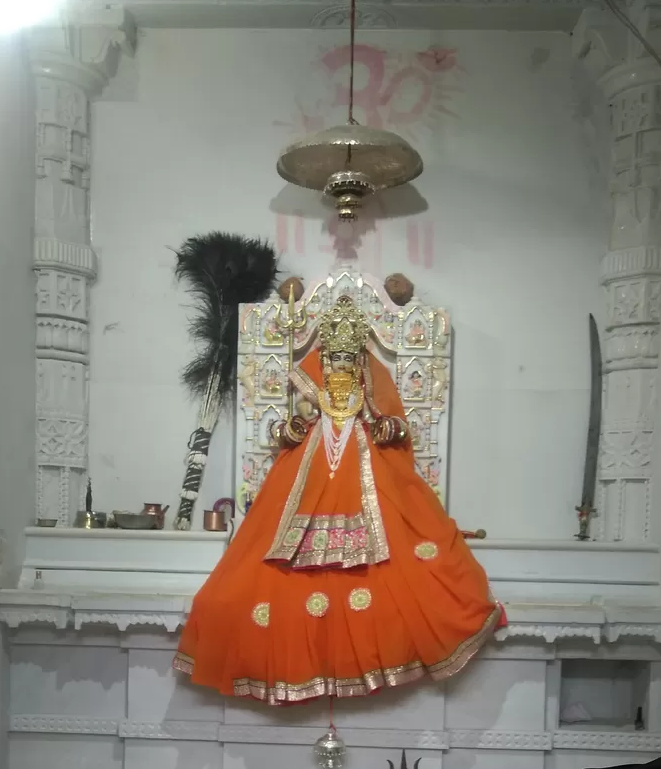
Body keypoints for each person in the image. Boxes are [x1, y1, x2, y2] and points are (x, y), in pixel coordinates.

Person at [173, 294, 504, 704]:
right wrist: (292, 429)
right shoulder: (313, 381)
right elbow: (285, 430)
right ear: (324, 356)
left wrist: (389, 429)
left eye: (348, 358)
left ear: (359, 358)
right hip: (311, 463)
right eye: (334, 358)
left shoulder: (370, 380)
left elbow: (395, 420)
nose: (340, 365)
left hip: (363, 464)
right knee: (252, 570)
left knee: (404, 557)